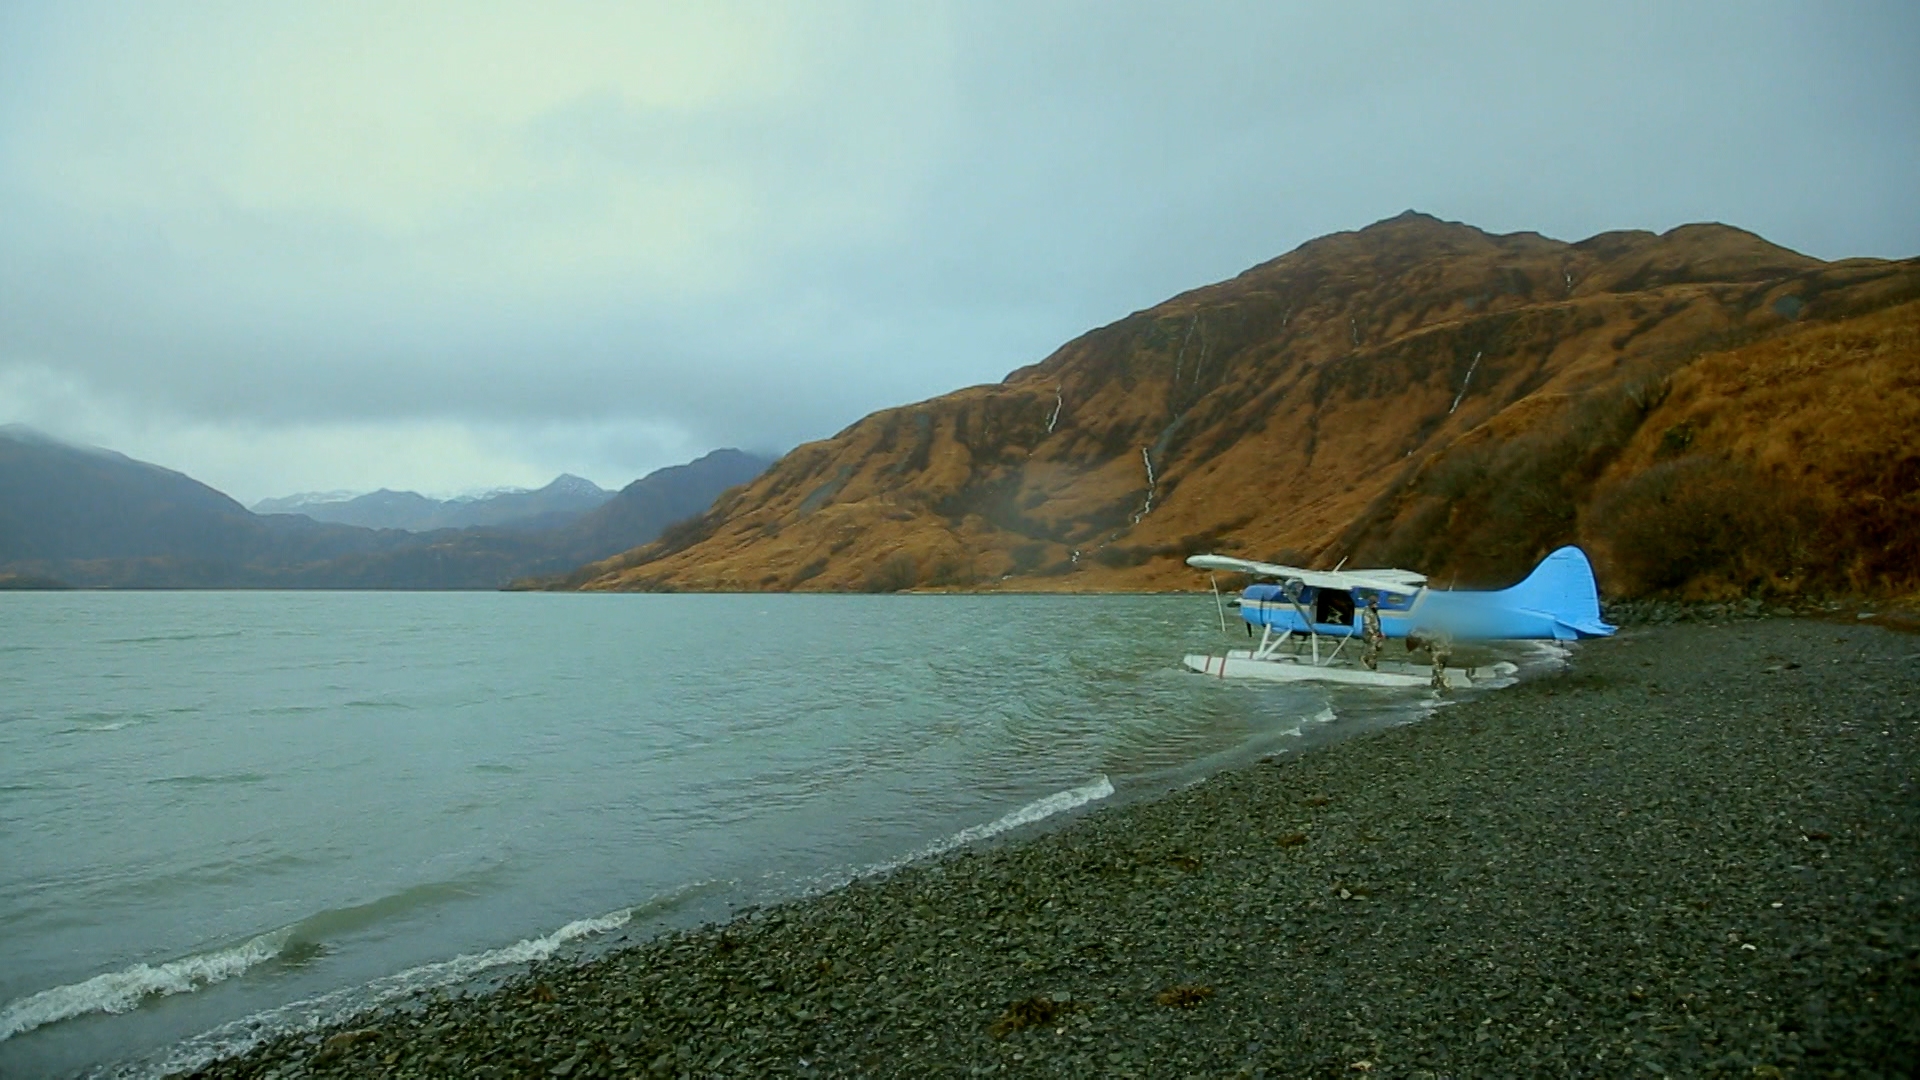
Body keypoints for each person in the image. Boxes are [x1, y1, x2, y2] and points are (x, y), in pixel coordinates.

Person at [1360, 594, 1385, 671]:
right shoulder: (1367, 612)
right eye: (1375, 603)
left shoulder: (1374, 612)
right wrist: (1372, 634)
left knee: (1379, 647)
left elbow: (1377, 623)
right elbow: (1367, 625)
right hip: (1369, 634)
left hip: (1376, 633)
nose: (1376, 605)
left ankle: (1373, 662)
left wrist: (1380, 633)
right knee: (1372, 649)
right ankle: (1368, 662)